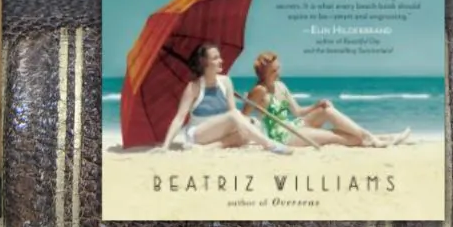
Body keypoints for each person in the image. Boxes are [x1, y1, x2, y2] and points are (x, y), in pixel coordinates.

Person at [242, 52, 410, 148]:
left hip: (293, 126)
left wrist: (316, 105)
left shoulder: (281, 86)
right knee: (334, 136)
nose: (278, 73)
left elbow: (298, 112)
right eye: (273, 71)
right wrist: (252, 129)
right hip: (282, 137)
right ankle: (379, 138)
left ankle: (371, 137)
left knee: (325, 110)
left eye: (278, 69)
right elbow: (242, 119)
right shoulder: (258, 91)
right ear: (262, 73)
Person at [160, 42, 290, 153]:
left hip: (220, 131)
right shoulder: (194, 87)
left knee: (249, 128)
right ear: (204, 62)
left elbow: (233, 114)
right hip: (199, 133)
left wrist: (247, 122)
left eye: (219, 57)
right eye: (215, 58)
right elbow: (179, 118)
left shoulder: (226, 82)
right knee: (237, 118)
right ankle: (269, 145)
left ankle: (208, 148)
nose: (221, 61)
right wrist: (165, 146)